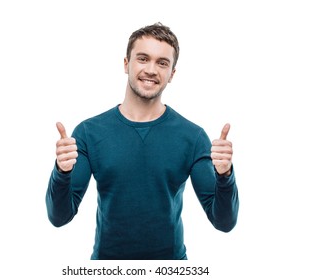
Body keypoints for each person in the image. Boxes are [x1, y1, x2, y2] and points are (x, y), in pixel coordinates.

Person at [46, 22, 239, 260]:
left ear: (172, 74)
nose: (151, 69)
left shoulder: (193, 137)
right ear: (126, 64)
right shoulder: (89, 132)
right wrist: (61, 172)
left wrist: (225, 176)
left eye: (162, 62)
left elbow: (224, 222)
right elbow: (59, 217)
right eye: (143, 58)